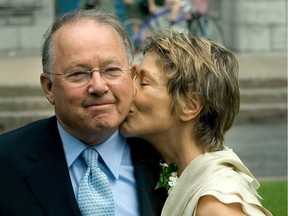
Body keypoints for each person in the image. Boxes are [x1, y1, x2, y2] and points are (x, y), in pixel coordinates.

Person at [0, 9, 167, 216]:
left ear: (131, 76)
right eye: (78, 74)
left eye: (111, 70)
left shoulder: (166, 156)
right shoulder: (6, 163)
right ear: (49, 87)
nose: (98, 86)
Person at [120, 29, 272, 216]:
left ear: (189, 106)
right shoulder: (177, 173)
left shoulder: (216, 205)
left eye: (143, 82)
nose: (128, 90)